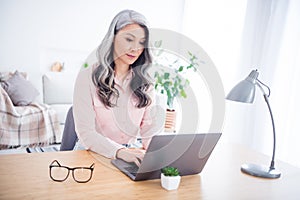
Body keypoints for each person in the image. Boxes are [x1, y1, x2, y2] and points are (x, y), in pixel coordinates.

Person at [73, 10, 165, 166]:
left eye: (141, 42)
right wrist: (120, 152)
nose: (136, 48)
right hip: (90, 155)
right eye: (129, 39)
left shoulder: (146, 83)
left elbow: (149, 129)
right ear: (112, 39)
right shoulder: (87, 77)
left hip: (129, 156)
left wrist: (159, 156)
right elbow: (86, 132)